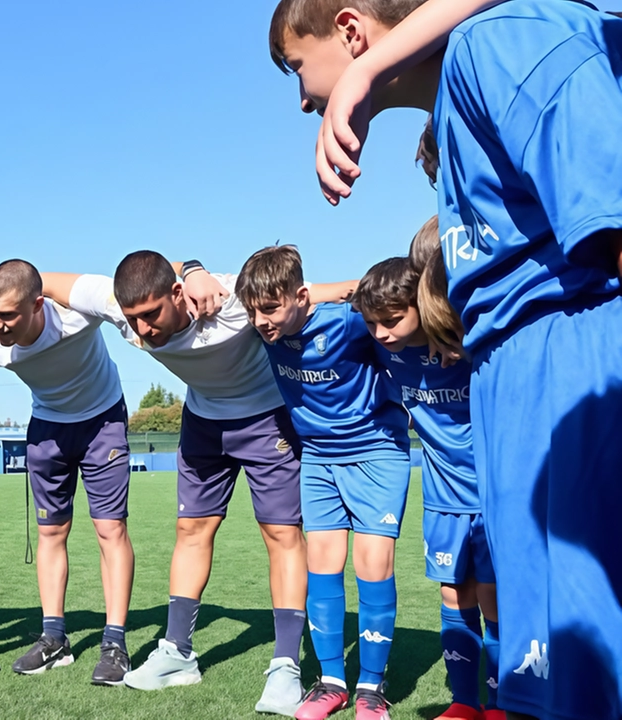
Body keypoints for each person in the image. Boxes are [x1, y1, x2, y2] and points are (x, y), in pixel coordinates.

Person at [269, 3, 622, 717]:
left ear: (348, 29)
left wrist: (367, 73)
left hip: (572, 366)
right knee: (550, 686)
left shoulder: (502, 38)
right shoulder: (455, 113)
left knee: (592, 678)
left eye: (296, 66)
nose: (302, 95)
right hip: (517, 389)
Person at [37, 252, 352, 715]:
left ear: (178, 295)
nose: (143, 330)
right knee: (190, 532)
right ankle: (177, 653)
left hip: (267, 419)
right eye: (133, 320)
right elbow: (36, 281)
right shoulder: (117, 303)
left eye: (151, 315)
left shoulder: (229, 300)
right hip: (203, 423)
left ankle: (286, 667)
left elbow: (327, 293)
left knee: (282, 536)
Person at [0, 259, 135, 685]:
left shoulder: (79, 311)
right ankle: (54, 638)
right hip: (48, 430)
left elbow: (136, 291)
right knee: (51, 533)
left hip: (103, 421)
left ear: (38, 304)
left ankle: (114, 643)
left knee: (110, 530)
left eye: (7, 315)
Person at [237, 245, 410, 720]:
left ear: (301, 295)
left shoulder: (350, 322)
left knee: (372, 565)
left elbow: (388, 305)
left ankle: (372, 686)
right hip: (317, 459)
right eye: (253, 311)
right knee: (322, 567)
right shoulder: (264, 329)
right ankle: (331, 680)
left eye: (270, 308)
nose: (261, 320)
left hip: (376, 451)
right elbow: (205, 290)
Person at [352, 223, 501, 720]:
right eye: (372, 324)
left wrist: (452, 333)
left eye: (392, 320)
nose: (381, 333)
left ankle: (502, 701)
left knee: (495, 597)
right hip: (442, 497)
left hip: (494, 492)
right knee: (453, 592)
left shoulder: (468, 338)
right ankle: (465, 702)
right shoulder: (384, 349)